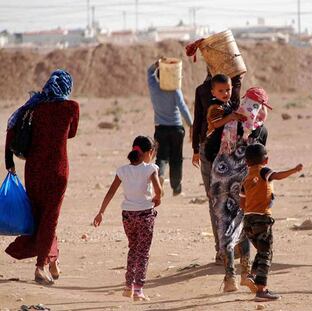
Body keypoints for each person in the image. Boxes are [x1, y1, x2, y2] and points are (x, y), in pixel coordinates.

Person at [4, 69, 79, 285]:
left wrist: (8, 163)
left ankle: (52, 260)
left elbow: (11, 130)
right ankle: (40, 267)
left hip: (34, 171)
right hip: (57, 172)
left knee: (40, 216)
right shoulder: (71, 107)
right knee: (50, 218)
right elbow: (71, 133)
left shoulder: (33, 107)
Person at [207, 75, 270, 293]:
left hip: (220, 181)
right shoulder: (260, 130)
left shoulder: (228, 119)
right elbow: (261, 159)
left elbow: (209, 148)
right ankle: (245, 273)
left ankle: (229, 277)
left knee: (225, 223)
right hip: (246, 185)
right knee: (243, 223)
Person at [93, 136, 161, 302]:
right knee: (143, 253)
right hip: (145, 215)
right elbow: (159, 190)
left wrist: (101, 212)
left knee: (133, 248)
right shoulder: (150, 168)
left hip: (127, 216)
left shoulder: (122, 170)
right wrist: (158, 197)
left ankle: (128, 286)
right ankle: (138, 290)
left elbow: (111, 192)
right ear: (149, 153)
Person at [191, 70, 242, 264]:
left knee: (230, 199)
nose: (226, 93)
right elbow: (201, 122)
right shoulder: (207, 93)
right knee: (216, 200)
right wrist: (196, 148)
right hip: (210, 152)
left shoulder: (230, 93)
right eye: (222, 90)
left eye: (228, 90)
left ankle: (228, 245)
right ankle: (222, 249)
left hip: (226, 153)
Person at [241, 143, 302, 301]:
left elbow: (242, 202)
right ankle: (261, 290)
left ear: (246, 162)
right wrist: (294, 170)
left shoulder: (245, 179)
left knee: (261, 251)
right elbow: (277, 176)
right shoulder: (263, 171)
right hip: (262, 219)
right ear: (266, 160)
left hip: (248, 220)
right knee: (266, 253)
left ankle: (252, 276)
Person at [147, 59, 193, 196]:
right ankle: (176, 186)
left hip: (161, 128)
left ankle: (160, 175)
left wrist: (157, 63)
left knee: (161, 157)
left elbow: (149, 72)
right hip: (177, 128)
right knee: (176, 158)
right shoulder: (174, 90)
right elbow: (183, 107)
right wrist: (191, 124)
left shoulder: (154, 88)